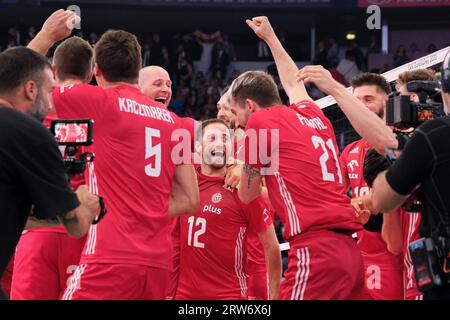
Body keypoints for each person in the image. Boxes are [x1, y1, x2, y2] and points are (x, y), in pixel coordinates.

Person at [28, 10, 200, 300]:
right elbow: (190, 200)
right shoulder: (175, 123)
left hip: (109, 257)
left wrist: (46, 36)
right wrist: (145, 207)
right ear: (138, 68)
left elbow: (19, 84)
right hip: (158, 266)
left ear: (96, 71)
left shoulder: (101, 102)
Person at [233, 16, 364, 300]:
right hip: (351, 250)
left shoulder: (259, 123)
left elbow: (247, 193)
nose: (238, 124)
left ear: (249, 106)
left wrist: (236, 170)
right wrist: (271, 37)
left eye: (237, 115)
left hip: (316, 251)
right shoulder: (313, 113)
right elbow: (294, 82)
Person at [0, 46, 99, 300]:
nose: (53, 100)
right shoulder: (30, 133)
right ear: (30, 89)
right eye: (49, 91)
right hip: (74, 238)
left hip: (32, 241)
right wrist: (87, 204)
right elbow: (75, 224)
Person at [175, 119, 282, 300]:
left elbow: (272, 246)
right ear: (199, 147)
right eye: (212, 138)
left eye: (225, 139)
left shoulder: (243, 190)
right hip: (184, 295)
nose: (219, 143)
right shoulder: (186, 180)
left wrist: (274, 297)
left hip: (228, 296)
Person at [339, 73, 403, 300]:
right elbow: (333, 198)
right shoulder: (349, 151)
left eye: (368, 99)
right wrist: (352, 207)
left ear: (387, 101)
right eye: (356, 101)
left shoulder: (401, 145)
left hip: (395, 255)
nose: (361, 107)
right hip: (360, 254)